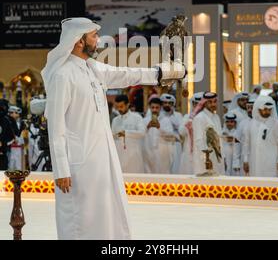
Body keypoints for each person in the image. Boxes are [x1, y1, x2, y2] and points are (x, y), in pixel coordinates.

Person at [41, 17, 183, 240]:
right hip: (77, 165)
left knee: (106, 214)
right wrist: (61, 170)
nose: (98, 40)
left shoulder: (93, 68)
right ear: (79, 41)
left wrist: (160, 73)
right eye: (94, 36)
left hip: (102, 159)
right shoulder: (62, 75)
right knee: (79, 217)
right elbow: (56, 127)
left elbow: (127, 74)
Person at [243, 96, 278, 178]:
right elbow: (246, 143)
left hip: (271, 161)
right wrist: (245, 160)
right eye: (265, 109)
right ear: (258, 109)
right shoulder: (251, 124)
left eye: (269, 110)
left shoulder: (276, 124)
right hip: (254, 161)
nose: (267, 112)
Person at [112, 95, 146, 173]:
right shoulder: (115, 120)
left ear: (128, 105)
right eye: (117, 107)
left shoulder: (137, 117)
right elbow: (113, 137)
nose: (119, 109)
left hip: (134, 155)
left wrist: (126, 133)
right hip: (120, 155)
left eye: (121, 106)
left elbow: (142, 133)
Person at [192, 92, 224, 176]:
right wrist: (206, 160)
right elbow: (199, 141)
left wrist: (223, 158)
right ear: (204, 103)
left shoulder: (216, 117)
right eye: (210, 102)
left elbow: (219, 139)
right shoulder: (200, 118)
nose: (213, 104)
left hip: (217, 160)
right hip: (206, 164)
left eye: (215, 101)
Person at [142, 97, 173, 173]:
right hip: (148, 151)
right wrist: (147, 127)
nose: (154, 110)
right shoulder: (145, 120)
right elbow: (140, 134)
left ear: (160, 108)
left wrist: (160, 127)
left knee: (163, 174)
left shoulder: (166, 120)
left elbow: (170, 135)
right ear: (149, 107)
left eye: (157, 107)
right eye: (152, 107)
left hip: (162, 152)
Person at [178, 92, 203, 174]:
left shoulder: (206, 118)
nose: (197, 106)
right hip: (189, 150)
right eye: (195, 104)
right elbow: (181, 132)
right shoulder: (187, 117)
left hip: (202, 151)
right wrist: (189, 122)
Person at [160, 93, 183, 174]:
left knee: (176, 167)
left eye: (170, 103)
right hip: (163, 145)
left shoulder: (178, 115)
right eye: (165, 103)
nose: (167, 105)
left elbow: (181, 130)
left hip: (176, 145)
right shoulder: (158, 116)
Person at [221, 112, 241, 176]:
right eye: (227, 122)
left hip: (235, 162)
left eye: (232, 122)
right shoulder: (221, 133)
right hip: (224, 160)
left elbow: (238, 151)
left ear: (235, 123)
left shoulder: (238, 134)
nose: (229, 123)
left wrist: (236, 163)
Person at [7, 106, 25, 170]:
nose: (18, 115)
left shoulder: (18, 122)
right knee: (10, 166)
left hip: (18, 148)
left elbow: (20, 138)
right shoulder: (8, 122)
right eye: (16, 113)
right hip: (10, 147)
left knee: (18, 166)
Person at [0, 99, 15, 170]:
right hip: (4, 149)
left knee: (3, 167)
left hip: (3, 151)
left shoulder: (8, 120)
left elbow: (11, 135)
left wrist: (4, 143)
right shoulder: (8, 119)